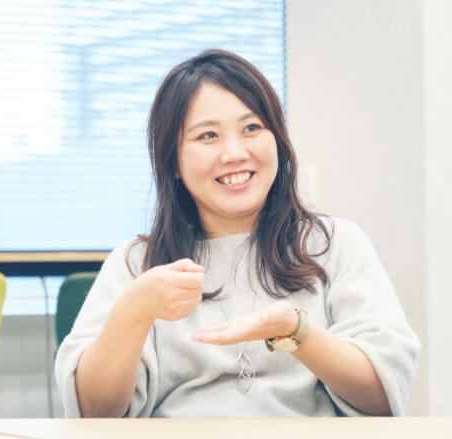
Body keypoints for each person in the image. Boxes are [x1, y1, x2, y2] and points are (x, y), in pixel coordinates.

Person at [55, 49, 420, 418]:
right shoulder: (136, 263)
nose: (234, 153)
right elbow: (94, 413)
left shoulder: (334, 245)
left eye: (252, 128)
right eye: (208, 135)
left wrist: (297, 333)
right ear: (173, 161)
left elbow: (382, 396)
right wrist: (134, 310)